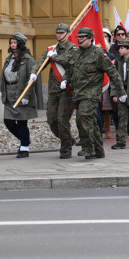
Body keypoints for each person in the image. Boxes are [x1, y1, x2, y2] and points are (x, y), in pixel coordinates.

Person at [60, 27, 125, 160]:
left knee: (83, 116)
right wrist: (65, 79)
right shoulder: (76, 53)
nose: (80, 39)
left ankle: (88, 148)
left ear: (90, 38)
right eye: (79, 37)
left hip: (92, 93)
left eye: (83, 37)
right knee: (88, 121)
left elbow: (113, 73)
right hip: (78, 92)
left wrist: (121, 92)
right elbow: (69, 69)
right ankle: (99, 151)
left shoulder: (98, 53)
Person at [0, 33, 40, 158]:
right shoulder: (9, 59)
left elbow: (31, 80)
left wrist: (26, 96)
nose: (12, 45)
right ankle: (25, 140)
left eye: (15, 43)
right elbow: (2, 76)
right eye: (11, 43)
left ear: (20, 44)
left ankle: (24, 149)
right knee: (8, 121)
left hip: (21, 92)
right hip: (9, 92)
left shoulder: (28, 59)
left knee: (21, 122)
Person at [38, 23, 77, 159]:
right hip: (53, 90)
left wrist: (53, 57)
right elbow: (41, 63)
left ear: (68, 33)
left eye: (61, 33)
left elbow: (68, 62)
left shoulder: (73, 48)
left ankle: (65, 149)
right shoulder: (52, 49)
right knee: (51, 120)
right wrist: (33, 72)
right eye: (57, 32)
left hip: (67, 90)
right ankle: (69, 139)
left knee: (62, 120)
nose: (58, 35)